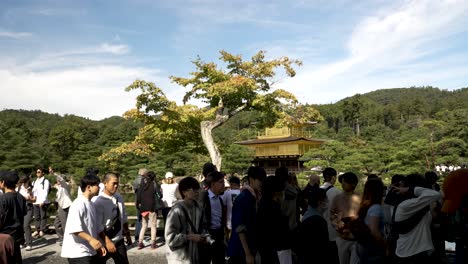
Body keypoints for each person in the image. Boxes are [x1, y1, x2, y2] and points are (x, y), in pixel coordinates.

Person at [392, 174, 441, 263]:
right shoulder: (406, 205)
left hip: (407, 253)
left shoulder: (408, 206)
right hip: (413, 254)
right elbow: (436, 194)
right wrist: (410, 189)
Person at [61, 173, 107, 263]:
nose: (100, 188)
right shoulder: (78, 204)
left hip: (90, 250)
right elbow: (74, 229)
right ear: (89, 187)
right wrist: (91, 240)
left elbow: (93, 228)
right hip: (78, 252)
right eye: (97, 185)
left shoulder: (91, 204)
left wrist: (99, 244)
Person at [227, 166, 267, 264]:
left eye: (263, 180)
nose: (262, 182)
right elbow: (240, 227)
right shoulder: (244, 198)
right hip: (240, 250)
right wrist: (247, 254)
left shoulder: (256, 197)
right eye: (259, 180)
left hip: (250, 246)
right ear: (251, 180)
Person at [165, 176, 208, 263]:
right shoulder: (176, 211)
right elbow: (170, 239)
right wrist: (189, 237)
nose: (197, 192)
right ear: (184, 192)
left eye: (198, 189)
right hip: (179, 259)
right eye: (193, 189)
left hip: (196, 257)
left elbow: (204, 227)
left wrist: (204, 237)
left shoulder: (199, 208)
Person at [94, 172, 132, 264]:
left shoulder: (119, 197)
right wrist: (107, 242)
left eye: (117, 184)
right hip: (103, 241)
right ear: (105, 183)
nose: (116, 186)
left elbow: (123, 216)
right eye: (113, 184)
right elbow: (97, 225)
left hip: (118, 239)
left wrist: (127, 233)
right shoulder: (98, 201)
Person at [257, 176, 291, 264]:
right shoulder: (273, 208)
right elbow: (281, 232)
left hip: (265, 249)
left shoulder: (262, 203)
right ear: (276, 192)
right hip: (277, 251)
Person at [330, 172, 361, 264]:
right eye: (342, 182)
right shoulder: (337, 198)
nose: (343, 184)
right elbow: (331, 214)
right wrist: (335, 223)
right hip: (342, 236)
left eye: (345, 182)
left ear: (353, 184)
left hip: (357, 238)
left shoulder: (361, 197)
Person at [353, 178, 386, 264]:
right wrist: (385, 245)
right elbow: (374, 231)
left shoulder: (366, 205)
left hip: (363, 245)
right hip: (373, 247)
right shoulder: (376, 208)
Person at [294, 188, 330, 264]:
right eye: (326, 199)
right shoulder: (319, 221)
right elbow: (323, 248)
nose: (328, 202)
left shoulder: (307, 215)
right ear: (320, 202)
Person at [199, 170, 226, 264]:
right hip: (207, 235)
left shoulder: (220, 199)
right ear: (213, 184)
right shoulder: (204, 197)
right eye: (221, 182)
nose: (223, 185)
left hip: (219, 236)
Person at [0, 171, 27, 264]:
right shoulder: (21, 197)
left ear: (3, 182)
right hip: (17, 235)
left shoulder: (3, 199)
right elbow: (23, 213)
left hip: (5, 238)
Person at [320, 167, 341, 264]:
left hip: (320, 228)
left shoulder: (317, 190)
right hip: (333, 229)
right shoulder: (337, 192)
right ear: (333, 178)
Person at [136, 171, 159, 249]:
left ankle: (140, 243)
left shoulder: (142, 185)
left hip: (143, 208)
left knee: (144, 226)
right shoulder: (154, 184)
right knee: (153, 226)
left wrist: (138, 205)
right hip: (152, 208)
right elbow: (160, 195)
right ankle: (153, 243)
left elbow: (138, 197)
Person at [53, 173, 73, 245]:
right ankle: (62, 238)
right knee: (56, 224)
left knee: (64, 224)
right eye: (57, 180)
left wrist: (53, 173)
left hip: (66, 206)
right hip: (60, 206)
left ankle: (67, 240)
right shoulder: (60, 187)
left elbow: (62, 182)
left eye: (58, 180)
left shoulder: (66, 185)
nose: (57, 181)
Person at [17, 175, 35, 251]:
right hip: (20, 208)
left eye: (24, 182)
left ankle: (29, 244)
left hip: (28, 207)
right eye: (22, 182)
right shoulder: (18, 188)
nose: (23, 183)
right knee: (20, 225)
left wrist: (29, 198)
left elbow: (34, 200)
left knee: (26, 225)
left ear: (27, 181)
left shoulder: (31, 188)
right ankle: (22, 242)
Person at [31, 167, 50, 238]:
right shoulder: (35, 181)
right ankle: (37, 229)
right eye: (37, 172)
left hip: (42, 202)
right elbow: (33, 191)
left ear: (43, 173)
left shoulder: (45, 181)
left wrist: (43, 201)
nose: (37, 173)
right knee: (37, 217)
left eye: (39, 172)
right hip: (35, 202)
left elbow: (46, 191)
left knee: (43, 216)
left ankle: (42, 230)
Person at [132, 168, 148, 243]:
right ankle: (140, 237)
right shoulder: (144, 181)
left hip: (137, 202)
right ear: (144, 173)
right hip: (143, 202)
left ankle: (136, 235)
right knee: (143, 220)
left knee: (139, 219)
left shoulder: (135, 180)